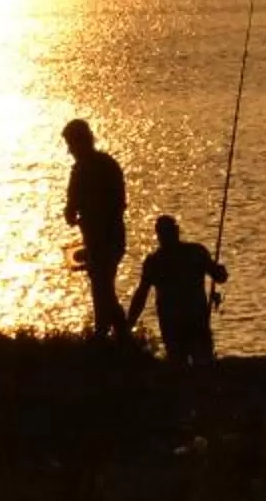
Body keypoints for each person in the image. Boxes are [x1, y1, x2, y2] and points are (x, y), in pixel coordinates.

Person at [60, 117, 130, 340]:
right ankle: (119, 337)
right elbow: (118, 204)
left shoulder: (84, 169)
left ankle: (107, 336)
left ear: (80, 142)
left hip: (103, 240)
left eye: (71, 144)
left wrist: (78, 216)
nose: (70, 150)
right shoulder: (107, 164)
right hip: (108, 239)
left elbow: (71, 210)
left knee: (102, 289)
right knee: (103, 289)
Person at [127, 212, 229, 364]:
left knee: (180, 364)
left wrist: (128, 324)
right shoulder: (196, 252)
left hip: (173, 323)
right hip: (193, 320)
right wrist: (219, 269)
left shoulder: (154, 262)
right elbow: (220, 277)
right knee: (201, 363)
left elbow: (141, 296)